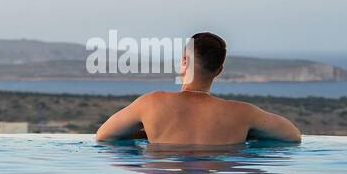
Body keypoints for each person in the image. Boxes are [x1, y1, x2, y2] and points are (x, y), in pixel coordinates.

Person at [94, 32, 302, 145]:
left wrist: (144, 134)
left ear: (184, 62)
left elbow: (103, 137)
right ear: (219, 70)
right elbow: (293, 136)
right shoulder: (243, 114)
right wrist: (248, 134)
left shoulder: (151, 103)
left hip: (164, 173)